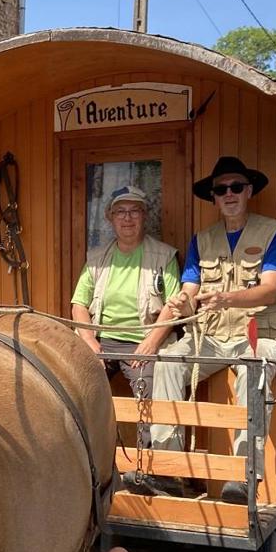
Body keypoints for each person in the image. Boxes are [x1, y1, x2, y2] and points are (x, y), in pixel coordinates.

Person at [149, 156, 276, 502]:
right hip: (211, 338)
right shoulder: (201, 240)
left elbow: (271, 288)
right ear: (213, 198)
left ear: (249, 192)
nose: (229, 194)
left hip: (259, 337)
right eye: (221, 189)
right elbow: (190, 289)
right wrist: (181, 303)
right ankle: (168, 468)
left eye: (236, 187)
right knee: (168, 360)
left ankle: (245, 475)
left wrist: (227, 298)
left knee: (255, 368)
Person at [71, 184, 181, 456]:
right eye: (120, 211)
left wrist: (151, 343)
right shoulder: (97, 258)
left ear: (145, 216)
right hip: (103, 340)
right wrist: (89, 341)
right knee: (76, 386)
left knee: (150, 394)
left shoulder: (165, 255)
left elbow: (174, 306)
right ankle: (86, 461)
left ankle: (148, 466)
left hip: (143, 340)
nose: (127, 218)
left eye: (134, 211)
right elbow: (78, 305)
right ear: (110, 218)